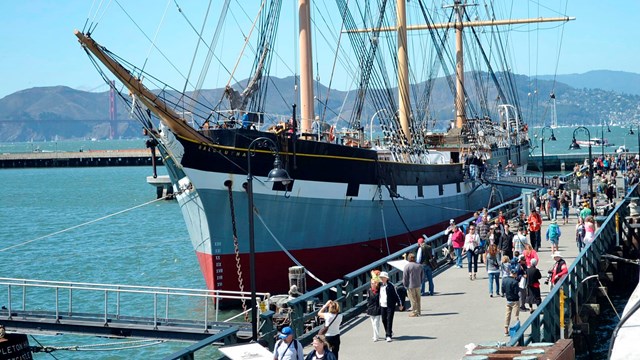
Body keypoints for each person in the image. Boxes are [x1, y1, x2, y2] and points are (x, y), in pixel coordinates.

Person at [379, 271, 402, 342]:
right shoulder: (380, 285)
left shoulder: (391, 286)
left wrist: (400, 304)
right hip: (382, 305)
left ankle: (388, 335)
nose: (382, 279)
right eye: (381, 278)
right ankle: (389, 331)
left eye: (383, 278)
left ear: (386, 278)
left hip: (390, 305)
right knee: (383, 320)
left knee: (389, 320)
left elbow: (396, 295)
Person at [403, 253, 424, 317]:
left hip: (410, 285)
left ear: (408, 259)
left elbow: (405, 277)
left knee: (413, 300)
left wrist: (405, 284)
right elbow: (422, 276)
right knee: (418, 299)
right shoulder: (419, 266)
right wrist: (420, 282)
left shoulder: (407, 266)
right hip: (418, 284)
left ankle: (414, 312)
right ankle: (419, 311)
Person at [501, 268, 520, 336]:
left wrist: (504, 294)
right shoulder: (515, 282)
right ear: (514, 274)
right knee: (516, 315)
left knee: (507, 315)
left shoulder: (504, 280)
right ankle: (516, 330)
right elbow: (516, 292)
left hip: (508, 299)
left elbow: (503, 289)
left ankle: (506, 329)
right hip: (515, 300)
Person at [366, 271, 382, 342]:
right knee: (373, 323)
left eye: (373, 283)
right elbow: (368, 299)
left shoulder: (380, 290)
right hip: (371, 308)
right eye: (371, 283)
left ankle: (376, 336)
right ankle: (375, 335)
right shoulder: (369, 291)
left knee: (376, 323)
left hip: (378, 308)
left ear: (376, 284)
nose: (371, 284)